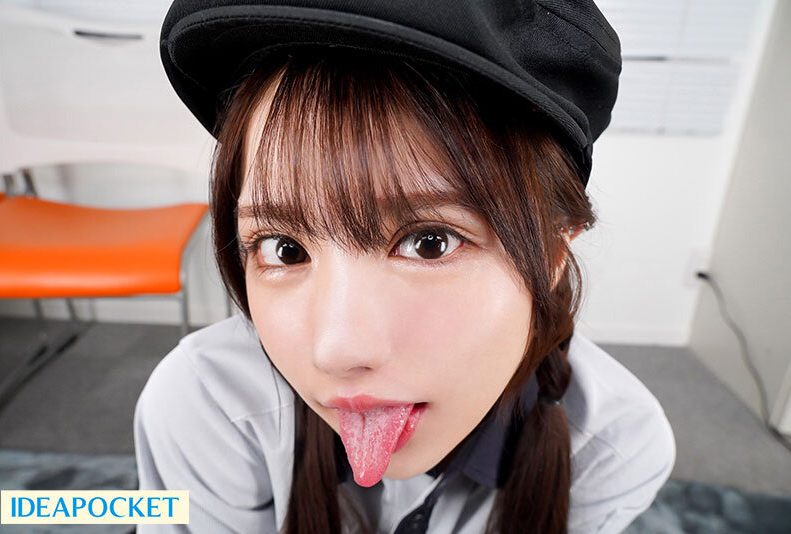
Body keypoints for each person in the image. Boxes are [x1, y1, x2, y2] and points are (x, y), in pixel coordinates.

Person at [134, 1, 676, 533]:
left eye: (429, 243)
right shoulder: (202, 405)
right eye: (284, 248)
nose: (336, 351)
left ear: (554, 253)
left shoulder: (615, 445)